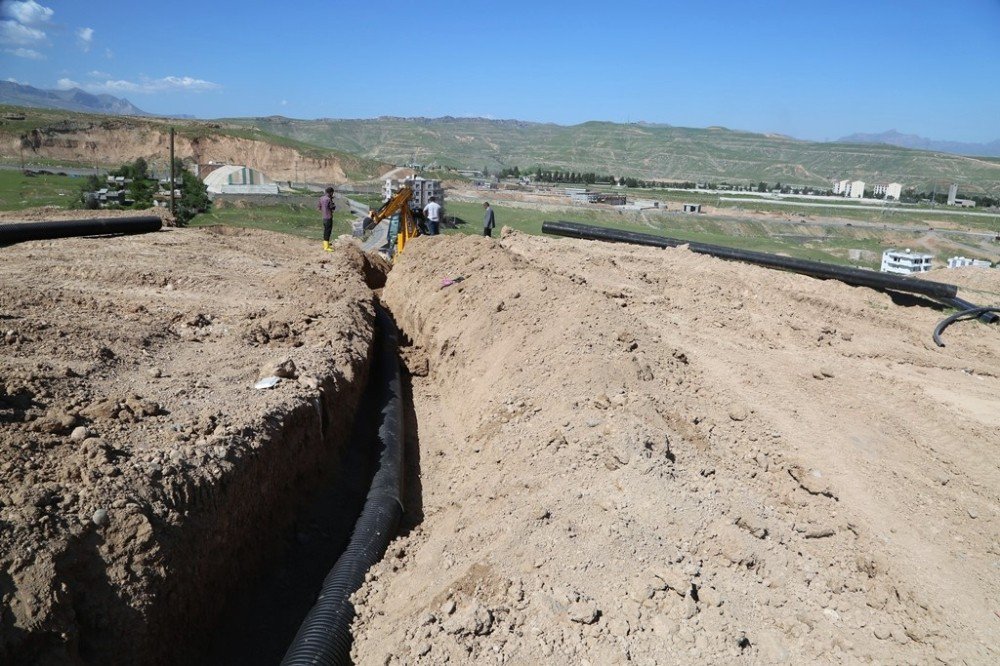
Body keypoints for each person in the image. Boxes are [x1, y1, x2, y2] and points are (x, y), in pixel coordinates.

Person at [317, 186, 336, 252]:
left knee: (325, 231)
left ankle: (326, 244)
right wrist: (332, 202)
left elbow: (319, 207)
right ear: (331, 192)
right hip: (329, 217)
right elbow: (332, 207)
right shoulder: (329, 199)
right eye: (332, 193)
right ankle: (326, 247)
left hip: (324, 217)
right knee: (328, 232)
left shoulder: (321, 198)